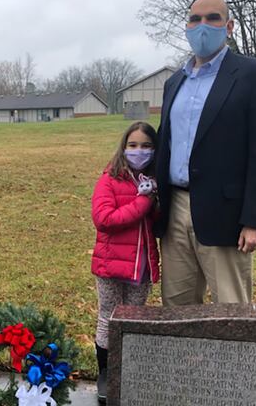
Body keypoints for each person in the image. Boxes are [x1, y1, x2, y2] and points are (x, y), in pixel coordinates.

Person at [155, 0, 256, 306]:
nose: (202, 26)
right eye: (194, 19)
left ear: (228, 26)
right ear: (187, 26)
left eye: (212, 18)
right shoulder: (174, 82)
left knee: (232, 310)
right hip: (174, 210)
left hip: (226, 214)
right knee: (177, 308)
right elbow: (165, 143)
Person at [90, 121, 161, 403]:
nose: (138, 151)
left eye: (146, 146)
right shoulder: (109, 179)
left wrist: (157, 204)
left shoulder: (154, 181)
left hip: (140, 265)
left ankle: (129, 368)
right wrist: (144, 202)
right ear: (123, 147)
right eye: (133, 145)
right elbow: (104, 219)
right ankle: (106, 371)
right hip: (111, 264)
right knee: (109, 317)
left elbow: (157, 222)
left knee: (133, 317)